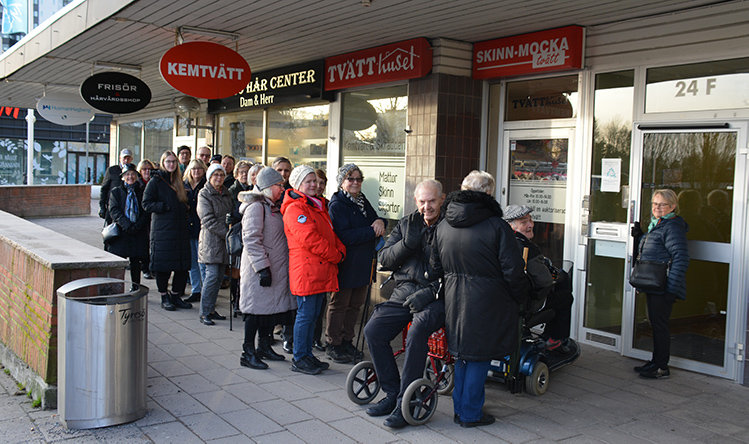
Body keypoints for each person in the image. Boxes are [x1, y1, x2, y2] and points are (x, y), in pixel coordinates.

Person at [431, 170, 529, 428]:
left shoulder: (444, 224)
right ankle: (471, 413)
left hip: (455, 298)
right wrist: (522, 298)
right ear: (487, 193)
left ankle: (460, 408)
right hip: (487, 300)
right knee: (479, 356)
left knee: (462, 355)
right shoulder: (497, 226)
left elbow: (435, 265)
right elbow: (513, 270)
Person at [363, 179, 446, 429]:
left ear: (441, 199)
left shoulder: (451, 227)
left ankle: (405, 404)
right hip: (404, 292)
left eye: (432, 201)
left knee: (417, 331)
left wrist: (431, 293)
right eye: (422, 201)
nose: (426, 206)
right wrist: (407, 244)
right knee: (373, 331)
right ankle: (392, 392)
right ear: (415, 201)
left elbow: (456, 272)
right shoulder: (407, 223)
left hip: (438, 297)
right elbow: (384, 259)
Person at [281, 165, 346, 375]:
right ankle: (300, 358)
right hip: (307, 271)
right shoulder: (296, 208)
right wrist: (335, 255)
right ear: (298, 184)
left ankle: (307, 355)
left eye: (315, 181)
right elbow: (310, 239)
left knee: (314, 314)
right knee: (306, 315)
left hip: (319, 270)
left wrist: (340, 249)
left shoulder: (316, 205)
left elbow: (329, 232)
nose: (314, 185)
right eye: (309, 181)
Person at [327, 163, 386, 363]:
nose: (354, 182)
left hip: (363, 263)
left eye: (358, 179)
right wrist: (371, 231)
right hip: (346, 263)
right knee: (340, 304)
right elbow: (344, 236)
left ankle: (347, 340)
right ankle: (333, 343)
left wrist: (380, 222)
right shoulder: (337, 204)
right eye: (350, 179)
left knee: (356, 305)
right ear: (342, 182)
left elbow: (375, 219)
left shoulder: (361, 200)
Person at [237, 167, 295, 369]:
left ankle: (263, 347)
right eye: (279, 185)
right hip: (259, 269)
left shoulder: (271, 206)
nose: (282, 188)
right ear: (269, 187)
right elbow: (251, 240)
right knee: (254, 312)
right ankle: (248, 352)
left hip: (274, 267)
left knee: (268, 311)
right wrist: (262, 268)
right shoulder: (256, 207)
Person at [631, 189, 689, 379]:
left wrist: (671, 289)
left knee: (660, 326)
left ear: (672, 207)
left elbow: (680, 258)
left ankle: (662, 367)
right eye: (655, 204)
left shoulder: (672, 226)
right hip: (654, 284)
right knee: (656, 324)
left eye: (662, 204)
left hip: (663, 287)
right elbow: (654, 250)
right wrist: (640, 236)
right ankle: (656, 361)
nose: (657, 208)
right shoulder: (657, 225)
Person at [503, 204, 573, 351]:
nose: (530, 225)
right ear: (510, 226)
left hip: (502, 304)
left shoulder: (499, 243)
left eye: (530, 220)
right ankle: (554, 339)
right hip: (523, 307)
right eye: (523, 222)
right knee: (565, 296)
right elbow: (545, 281)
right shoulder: (526, 248)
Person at [143, 151, 193, 312]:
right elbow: (146, 203)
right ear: (163, 162)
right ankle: (164, 296)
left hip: (180, 230)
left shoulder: (180, 180)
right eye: (168, 161)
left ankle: (176, 295)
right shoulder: (156, 181)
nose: (171, 164)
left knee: (182, 266)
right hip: (163, 231)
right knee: (163, 267)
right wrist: (164, 207)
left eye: (174, 162)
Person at [196, 164, 234, 325]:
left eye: (221, 174)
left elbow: (230, 212)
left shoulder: (226, 192)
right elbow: (208, 220)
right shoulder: (204, 194)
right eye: (215, 175)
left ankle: (211, 309)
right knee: (211, 277)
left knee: (218, 278)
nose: (219, 178)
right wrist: (227, 233)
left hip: (224, 241)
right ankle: (204, 312)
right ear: (210, 177)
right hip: (211, 241)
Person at [105, 163, 149, 287]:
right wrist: (127, 225)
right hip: (121, 232)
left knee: (136, 261)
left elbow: (146, 210)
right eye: (127, 174)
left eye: (133, 174)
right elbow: (114, 210)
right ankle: (116, 286)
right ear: (123, 177)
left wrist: (137, 226)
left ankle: (135, 286)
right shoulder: (116, 192)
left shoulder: (142, 191)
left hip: (137, 232)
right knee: (119, 262)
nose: (130, 177)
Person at [272, 156, 295, 351]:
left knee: (289, 294)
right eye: (280, 170)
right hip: (273, 250)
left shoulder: (293, 193)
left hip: (291, 250)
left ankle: (288, 334)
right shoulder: (269, 194)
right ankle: (269, 331)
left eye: (287, 170)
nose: (284, 174)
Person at [183, 159, 207, 303]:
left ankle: (206, 292)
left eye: (199, 169)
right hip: (188, 228)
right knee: (192, 262)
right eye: (193, 169)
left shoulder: (205, 185)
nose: (196, 172)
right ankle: (196, 289)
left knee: (202, 263)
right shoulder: (184, 185)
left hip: (201, 228)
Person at [312, 168, 329, 352]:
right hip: (310, 262)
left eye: (322, 183)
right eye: (315, 182)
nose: (318, 186)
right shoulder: (303, 204)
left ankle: (316, 338)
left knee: (320, 305)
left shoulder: (327, 204)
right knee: (305, 309)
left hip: (324, 264)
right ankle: (290, 337)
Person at [99, 148, 133, 224]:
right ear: (120, 159)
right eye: (124, 158)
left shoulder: (133, 171)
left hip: (127, 207)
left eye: (128, 158)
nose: (126, 161)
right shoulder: (112, 170)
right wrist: (102, 207)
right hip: (113, 206)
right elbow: (104, 189)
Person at [136, 159, 155, 280]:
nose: (147, 171)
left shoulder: (155, 182)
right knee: (144, 245)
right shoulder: (138, 184)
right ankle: (145, 268)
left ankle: (153, 268)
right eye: (144, 169)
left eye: (149, 169)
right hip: (142, 218)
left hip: (154, 217)